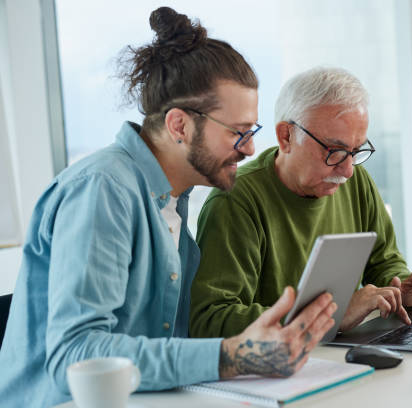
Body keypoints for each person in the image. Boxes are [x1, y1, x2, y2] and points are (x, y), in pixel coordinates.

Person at [0, 8, 336, 407]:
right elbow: (76, 353)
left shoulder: (173, 201)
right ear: (179, 126)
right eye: (238, 132)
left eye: (252, 131)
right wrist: (229, 355)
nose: (249, 148)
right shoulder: (102, 191)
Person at [190, 67, 412, 339]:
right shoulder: (235, 200)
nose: (348, 170)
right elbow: (210, 319)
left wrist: (404, 288)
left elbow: (383, 264)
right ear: (286, 137)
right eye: (335, 151)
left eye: (355, 151)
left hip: (336, 357)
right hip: (271, 371)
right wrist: (331, 315)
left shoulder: (356, 182)